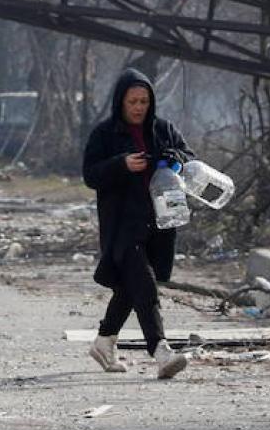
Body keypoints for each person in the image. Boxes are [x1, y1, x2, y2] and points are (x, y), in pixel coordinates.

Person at [83, 68, 193, 379]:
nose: (138, 107)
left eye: (144, 101)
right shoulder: (104, 135)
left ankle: (104, 341)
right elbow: (90, 175)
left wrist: (175, 159)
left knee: (132, 286)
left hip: (160, 222)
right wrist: (122, 164)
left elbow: (189, 157)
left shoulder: (163, 129)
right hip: (122, 225)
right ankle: (160, 351)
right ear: (120, 102)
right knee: (143, 286)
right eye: (132, 101)